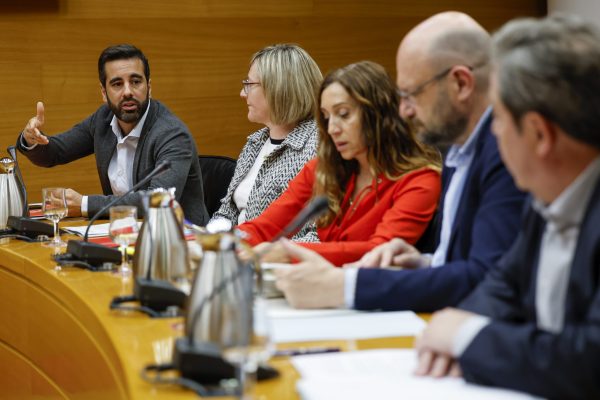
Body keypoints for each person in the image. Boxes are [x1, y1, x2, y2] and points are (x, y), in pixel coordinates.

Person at [273, 12, 525, 311]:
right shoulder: (458, 154)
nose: (404, 111)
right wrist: (424, 263)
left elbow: (487, 277)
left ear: (460, 83)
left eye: (412, 93)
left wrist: (345, 287)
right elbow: (465, 263)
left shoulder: (506, 153)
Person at [416, 14, 600, 399]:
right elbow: (503, 284)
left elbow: (589, 359)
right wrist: (459, 320)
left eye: (497, 118)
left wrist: (467, 337)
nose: (493, 133)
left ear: (539, 134)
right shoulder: (545, 199)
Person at [238, 61, 442, 266]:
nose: (332, 129)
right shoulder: (323, 169)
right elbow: (264, 227)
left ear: (378, 114)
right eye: (326, 117)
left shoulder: (420, 180)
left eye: (343, 114)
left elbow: (380, 251)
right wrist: (226, 243)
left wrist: (289, 253)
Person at [17, 44, 209, 225]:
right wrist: (30, 139)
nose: (127, 92)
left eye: (135, 82)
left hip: (180, 238)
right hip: (127, 233)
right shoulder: (103, 120)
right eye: (117, 84)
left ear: (149, 87)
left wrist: (84, 204)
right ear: (104, 92)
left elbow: (158, 200)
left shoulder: (172, 134)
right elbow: (55, 152)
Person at [211, 44, 322, 241]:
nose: (242, 93)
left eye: (249, 84)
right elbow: (226, 213)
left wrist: (265, 252)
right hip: (236, 251)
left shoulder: (318, 148)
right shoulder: (254, 142)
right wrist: (206, 242)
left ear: (278, 89)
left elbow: (318, 236)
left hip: (275, 258)